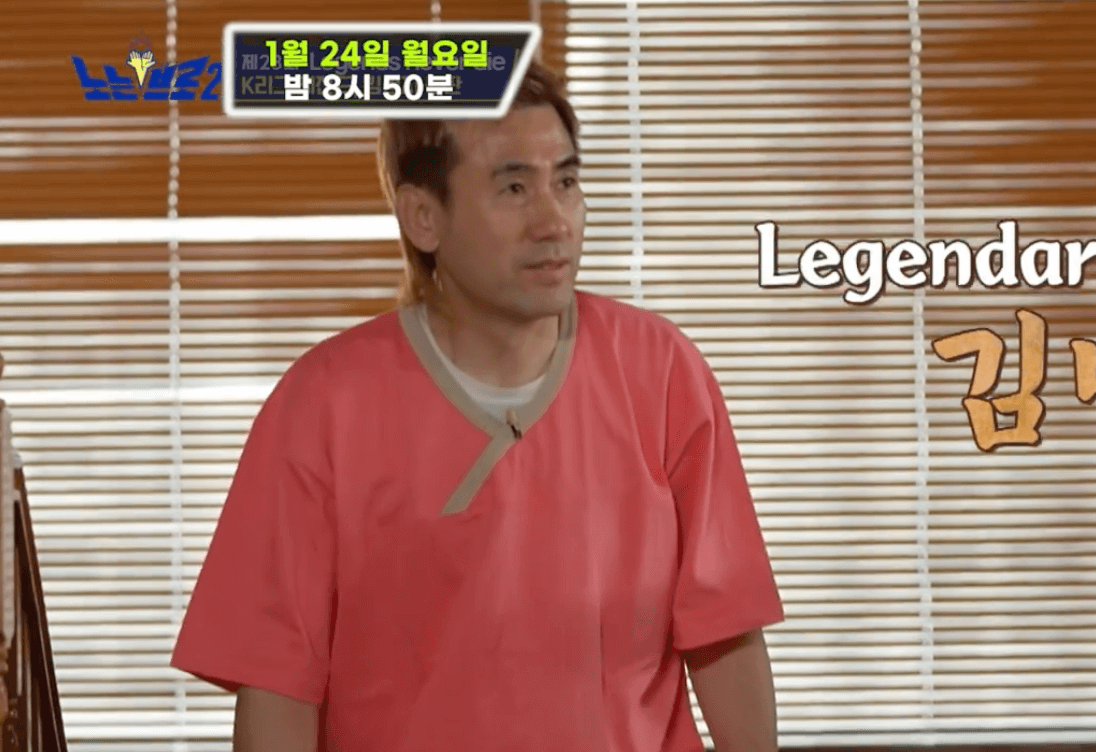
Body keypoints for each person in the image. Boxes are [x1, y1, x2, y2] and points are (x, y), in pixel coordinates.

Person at [169, 58, 786, 752]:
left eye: (567, 182)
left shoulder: (661, 371)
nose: (554, 221)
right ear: (423, 217)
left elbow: (724, 631)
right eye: (514, 188)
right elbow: (279, 686)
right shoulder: (321, 406)